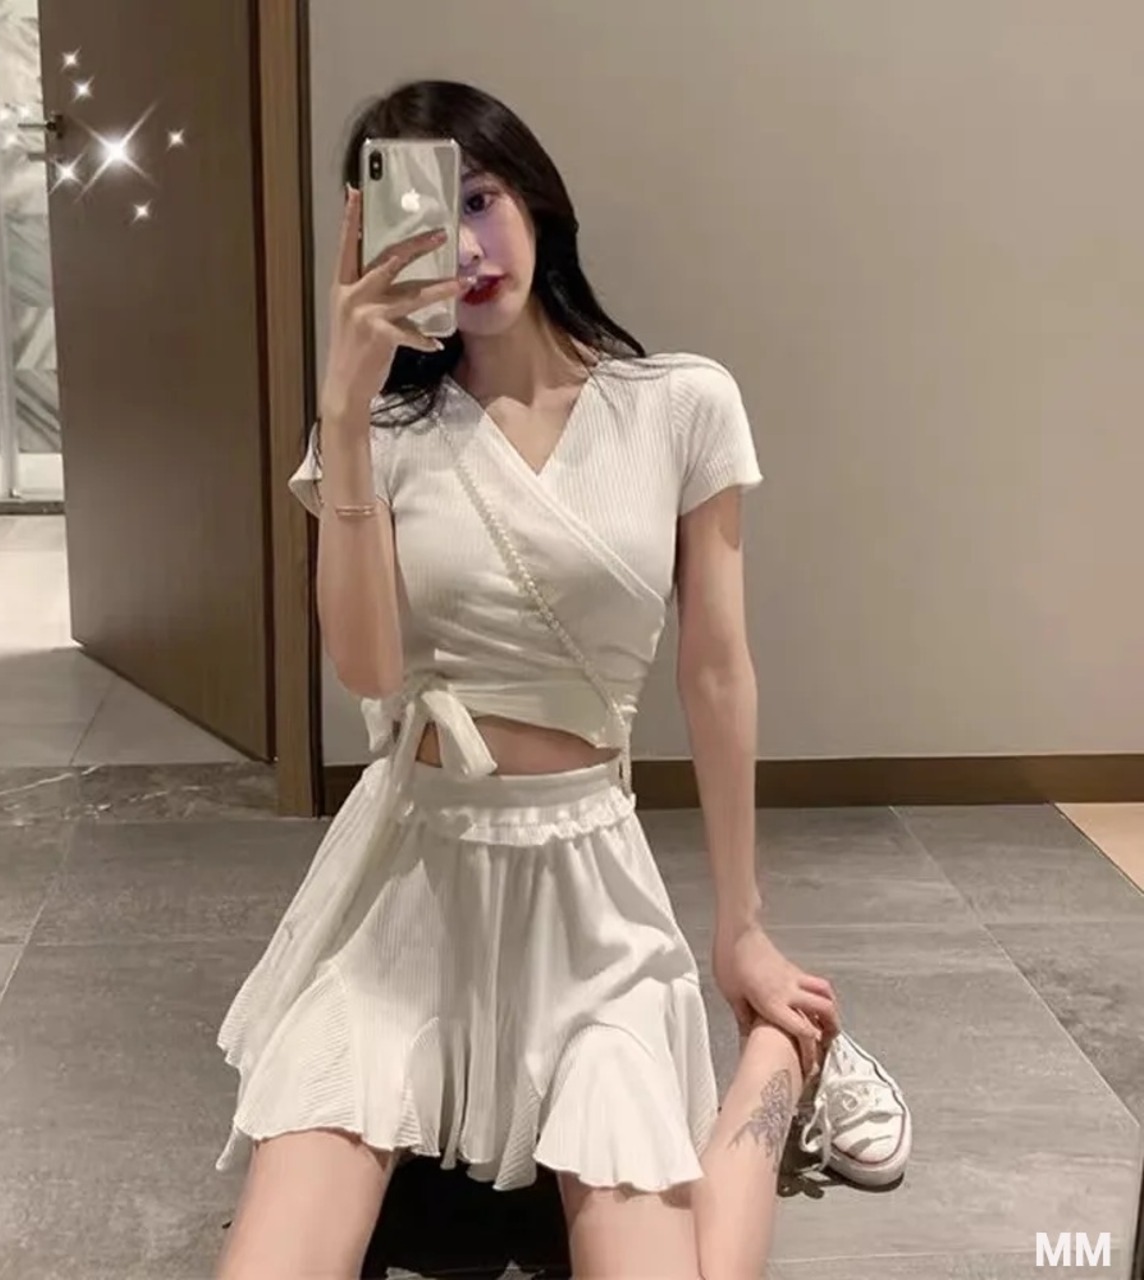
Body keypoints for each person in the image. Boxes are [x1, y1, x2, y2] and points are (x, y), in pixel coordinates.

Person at [215, 80, 910, 1280]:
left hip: (588, 898)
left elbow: (715, 671)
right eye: (425, 212)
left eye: (479, 197)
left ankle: (779, 1063)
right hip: (408, 893)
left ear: (535, 197)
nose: (462, 245)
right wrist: (342, 403)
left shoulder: (678, 404)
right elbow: (367, 668)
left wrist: (738, 926)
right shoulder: (376, 433)